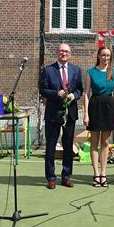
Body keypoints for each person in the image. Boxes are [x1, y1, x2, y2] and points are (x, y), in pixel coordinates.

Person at [39, 43, 83, 189]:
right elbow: (43, 90)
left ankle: (66, 176)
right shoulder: (48, 70)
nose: (64, 53)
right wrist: (56, 93)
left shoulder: (76, 70)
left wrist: (74, 96)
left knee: (68, 146)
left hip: (70, 114)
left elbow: (79, 90)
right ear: (57, 52)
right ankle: (51, 178)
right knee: (51, 146)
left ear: (70, 53)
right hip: (53, 114)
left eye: (66, 51)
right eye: (61, 51)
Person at [83, 46, 114, 187]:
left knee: (105, 142)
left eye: (108, 55)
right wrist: (86, 114)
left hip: (109, 107)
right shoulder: (90, 72)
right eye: (103, 55)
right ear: (98, 56)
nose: (106, 57)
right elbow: (87, 93)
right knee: (94, 142)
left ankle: (103, 174)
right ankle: (96, 174)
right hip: (94, 106)